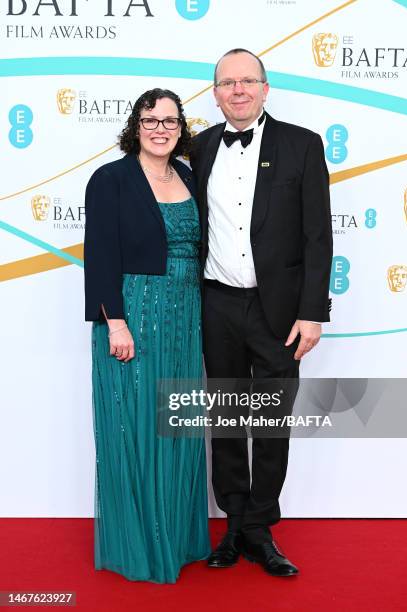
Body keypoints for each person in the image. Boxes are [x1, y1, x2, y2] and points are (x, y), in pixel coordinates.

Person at [189, 49, 333, 576]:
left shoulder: (302, 144)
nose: (238, 90)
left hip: (280, 312)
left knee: (271, 422)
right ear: (216, 93)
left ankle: (259, 528)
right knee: (226, 419)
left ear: (266, 88)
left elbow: (319, 236)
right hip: (218, 303)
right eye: (227, 82)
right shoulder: (200, 148)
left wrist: (312, 311)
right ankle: (231, 525)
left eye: (248, 80)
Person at [84, 88, 211, 583]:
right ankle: (139, 542)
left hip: (186, 313)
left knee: (174, 424)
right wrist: (115, 321)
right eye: (150, 120)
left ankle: (177, 537)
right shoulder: (111, 179)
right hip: (134, 312)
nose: (161, 129)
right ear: (135, 126)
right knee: (135, 426)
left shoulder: (189, 175)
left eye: (170, 121)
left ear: (182, 128)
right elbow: (100, 254)